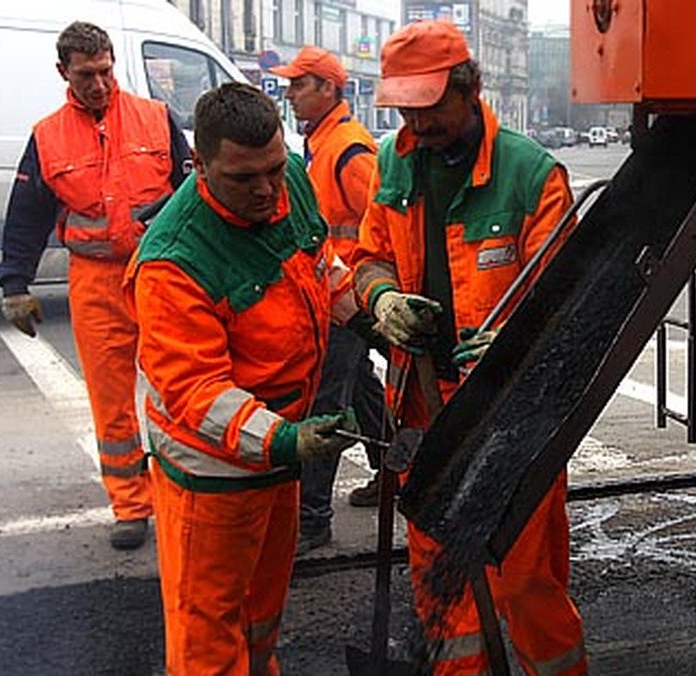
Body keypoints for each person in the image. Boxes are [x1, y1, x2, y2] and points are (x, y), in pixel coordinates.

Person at [348, 19, 587, 676]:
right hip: (422, 408)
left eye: (428, 110)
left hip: (509, 412)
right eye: (404, 111)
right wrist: (384, 302)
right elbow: (367, 258)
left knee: (524, 580)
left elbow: (557, 307)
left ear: (471, 88)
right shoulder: (395, 163)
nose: (415, 127)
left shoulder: (531, 175)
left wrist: (507, 346)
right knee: (440, 580)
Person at [124, 82, 361, 674]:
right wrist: (289, 440)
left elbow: (317, 264)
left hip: (277, 446)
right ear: (199, 165)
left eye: (274, 170)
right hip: (213, 471)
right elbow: (197, 394)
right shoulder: (173, 262)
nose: (265, 190)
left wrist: (371, 311)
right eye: (242, 177)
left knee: (260, 610)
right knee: (208, 629)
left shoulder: (290, 183)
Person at [0, 21, 192, 550]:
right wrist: (15, 283)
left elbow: (193, 192)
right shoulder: (48, 136)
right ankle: (131, 505)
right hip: (95, 281)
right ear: (64, 73)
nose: (100, 84)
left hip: (157, 274)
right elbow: (27, 214)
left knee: (179, 387)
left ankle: (182, 493)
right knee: (111, 403)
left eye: (106, 71)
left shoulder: (155, 118)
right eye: (87, 75)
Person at [269, 45, 387, 554]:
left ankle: (312, 519)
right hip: (335, 294)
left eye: (299, 85)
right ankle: (397, 476)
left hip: (348, 297)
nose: (289, 94)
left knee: (327, 401)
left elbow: (384, 225)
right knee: (360, 387)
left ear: (328, 89)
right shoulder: (323, 143)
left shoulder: (348, 150)